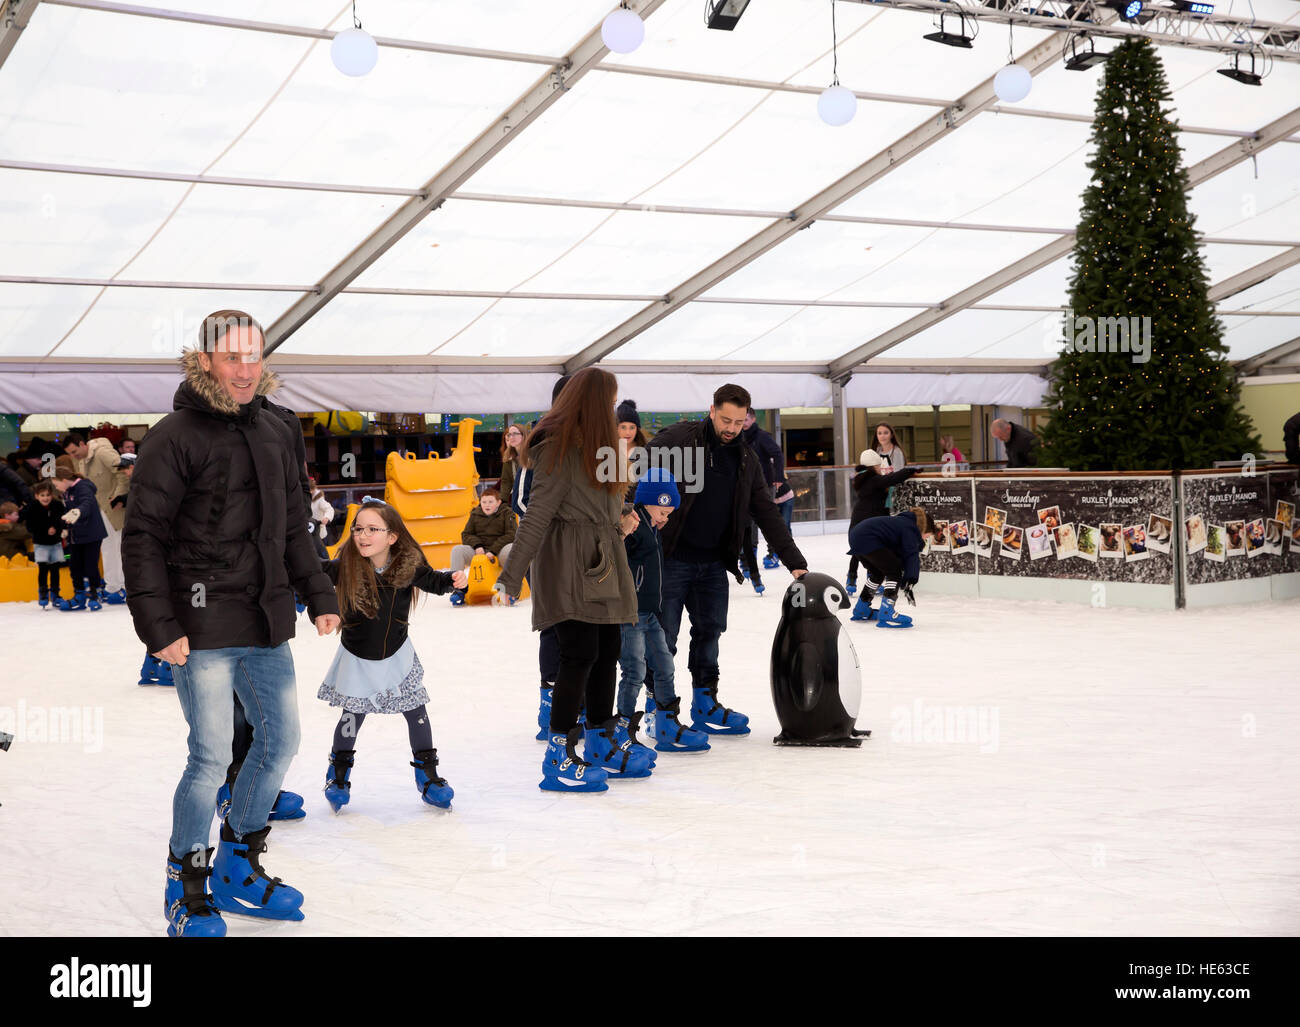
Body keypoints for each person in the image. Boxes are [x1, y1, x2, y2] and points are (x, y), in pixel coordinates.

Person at [122, 309, 340, 937]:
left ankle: (239, 865)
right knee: (212, 756)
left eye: (255, 355)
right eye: (232, 357)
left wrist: (318, 591)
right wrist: (158, 627)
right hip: (201, 620)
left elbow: (294, 522)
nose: (246, 370)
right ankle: (186, 882)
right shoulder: (175, 436)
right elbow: (143, 538)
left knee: (279, 743)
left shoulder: (278, 429)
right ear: (207, 360)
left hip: (267, 615)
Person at [495, 366, 648, 791]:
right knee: (579, 653)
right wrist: (511, 576)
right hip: (567, 561)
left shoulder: (603, 449)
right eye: (610, 399)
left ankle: (601, 739)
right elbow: (538, 513)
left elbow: (603, 501)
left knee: (608, 647)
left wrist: (622, 518)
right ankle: (558, 756)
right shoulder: (557, 448)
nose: (614, 407)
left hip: (603, 556)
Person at [647, 383, 809, 736]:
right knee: (664, 639)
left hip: (713, 564)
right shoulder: (679, 439)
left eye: (738, 421)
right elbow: (634, 474)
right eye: (725, 419)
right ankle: (658, 711)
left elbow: (766, 512)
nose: (731, 428)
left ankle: (705, 702)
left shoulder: (746, 459)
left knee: (710, 634)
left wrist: (795, 562)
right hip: (670, 559)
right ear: (711, 410)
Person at [319, 498, 468, 813]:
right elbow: (314, 573)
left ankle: (428, 775)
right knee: (351, 718)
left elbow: (433, 580)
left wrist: (452, 579)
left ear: (392, 536)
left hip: (397, 655)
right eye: (359, 528)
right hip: (357, 659)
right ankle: (338, 774)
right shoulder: (346, 567)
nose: (363, 535)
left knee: (417, 713)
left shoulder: (407, 566)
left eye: (373, 529)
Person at [620, 469, 710, 754]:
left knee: (664, 664)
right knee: (634, 672)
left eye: (669, 513)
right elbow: (616, 553)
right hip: (630, 615)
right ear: (648, 501)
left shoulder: (651, 527)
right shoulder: (632, 524)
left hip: (649, 614)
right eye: (663, 511)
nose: (665, 519)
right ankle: (623, 730)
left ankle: (666, 724)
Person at [62, 431, 129, 604]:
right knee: (106, 547)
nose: (73, 456)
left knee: (118, 547)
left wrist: (120, 496)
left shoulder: (103, 453)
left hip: (113, 506)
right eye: (70, 453)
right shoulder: (79, 460)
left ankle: (123, 587)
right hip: (97, 509)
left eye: (74, 452)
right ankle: (112, 586)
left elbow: (123, 472)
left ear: (83, 444)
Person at [845, 449, 919, 595]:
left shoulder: (863, 479)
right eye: (878, 466)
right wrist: (909, 471)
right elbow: (891, 479)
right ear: (873, 466)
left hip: (858, 523)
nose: (880, 468)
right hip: (865, 524)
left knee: (870, 562)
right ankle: (886, 604)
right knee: (887, 565)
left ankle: (859, 596)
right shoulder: (873, 480)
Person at [848, 506, 930, 629]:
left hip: (856, 537)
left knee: (877, 573)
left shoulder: (900, 522)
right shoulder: (910, 528)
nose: (926, 539)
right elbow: (911, 555)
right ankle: (887, 611)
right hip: (868, 538)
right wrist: (911, 580)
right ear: (922, 529)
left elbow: (895, 551)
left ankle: (861, 609)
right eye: (927, 536)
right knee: (894, 572)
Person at [50, 457, 107, 611]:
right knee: (74, 566)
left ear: (63, 480)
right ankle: (79, 595)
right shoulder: (68, 492)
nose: (57, 488)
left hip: (91, 534)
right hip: (75, 535)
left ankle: (95, 594)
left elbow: (87, 502)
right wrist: (65, 528)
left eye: (56, 485)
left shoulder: (83, 487)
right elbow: (68, 513)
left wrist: (78, 511)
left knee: (90, 565)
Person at [448, 486, 516, 605]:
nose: (487, 505)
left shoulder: (507, 513)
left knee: (511, 549)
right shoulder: (475, 514)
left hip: (499, 551)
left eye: (490, 502)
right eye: (484, 502)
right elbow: (466, 534)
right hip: (480, 551)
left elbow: (512, 534)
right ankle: (458, 590)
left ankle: (510, 589)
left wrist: (494, 550)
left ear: (498, 503)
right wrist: (477, 545)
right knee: (457, 550)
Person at [21, 480, 66, 608]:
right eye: (42, 495)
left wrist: (56, 529)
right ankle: (43, 592)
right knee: (43, 569)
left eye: (48, 495)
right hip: (40, 543)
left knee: (55, 569)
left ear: (52, 495)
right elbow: (30, 526)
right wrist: (45, 530)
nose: (45, 498)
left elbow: (62, 520)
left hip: (56, 542)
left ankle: (56, 594)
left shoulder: (58, 506)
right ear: (36, 496)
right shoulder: (32, 508)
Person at [498, 422, 526, 513]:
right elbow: (506, 481)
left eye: (515, 434)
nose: (511, 437)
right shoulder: (508, 458)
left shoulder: (532, 454)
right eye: (509, 435)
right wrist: (503, 502)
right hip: (518, 500)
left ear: (523, 435)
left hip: (533, 499)